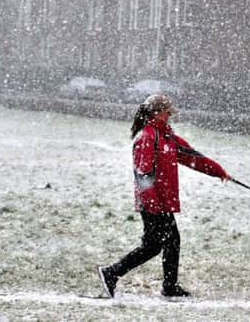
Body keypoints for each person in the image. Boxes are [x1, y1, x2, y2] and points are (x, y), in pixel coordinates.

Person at [98, 93, 232, 298]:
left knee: (167, 242)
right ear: (156, 112)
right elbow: (143, 173)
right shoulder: (148, 136)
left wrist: (218, 171)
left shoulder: (167, 137)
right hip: (152, 203)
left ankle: (167, 285)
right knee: (155, 245)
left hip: (162, 202)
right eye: (167, 113)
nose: (170, 116)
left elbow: (193, 157)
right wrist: (151, 202)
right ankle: (112, 273)